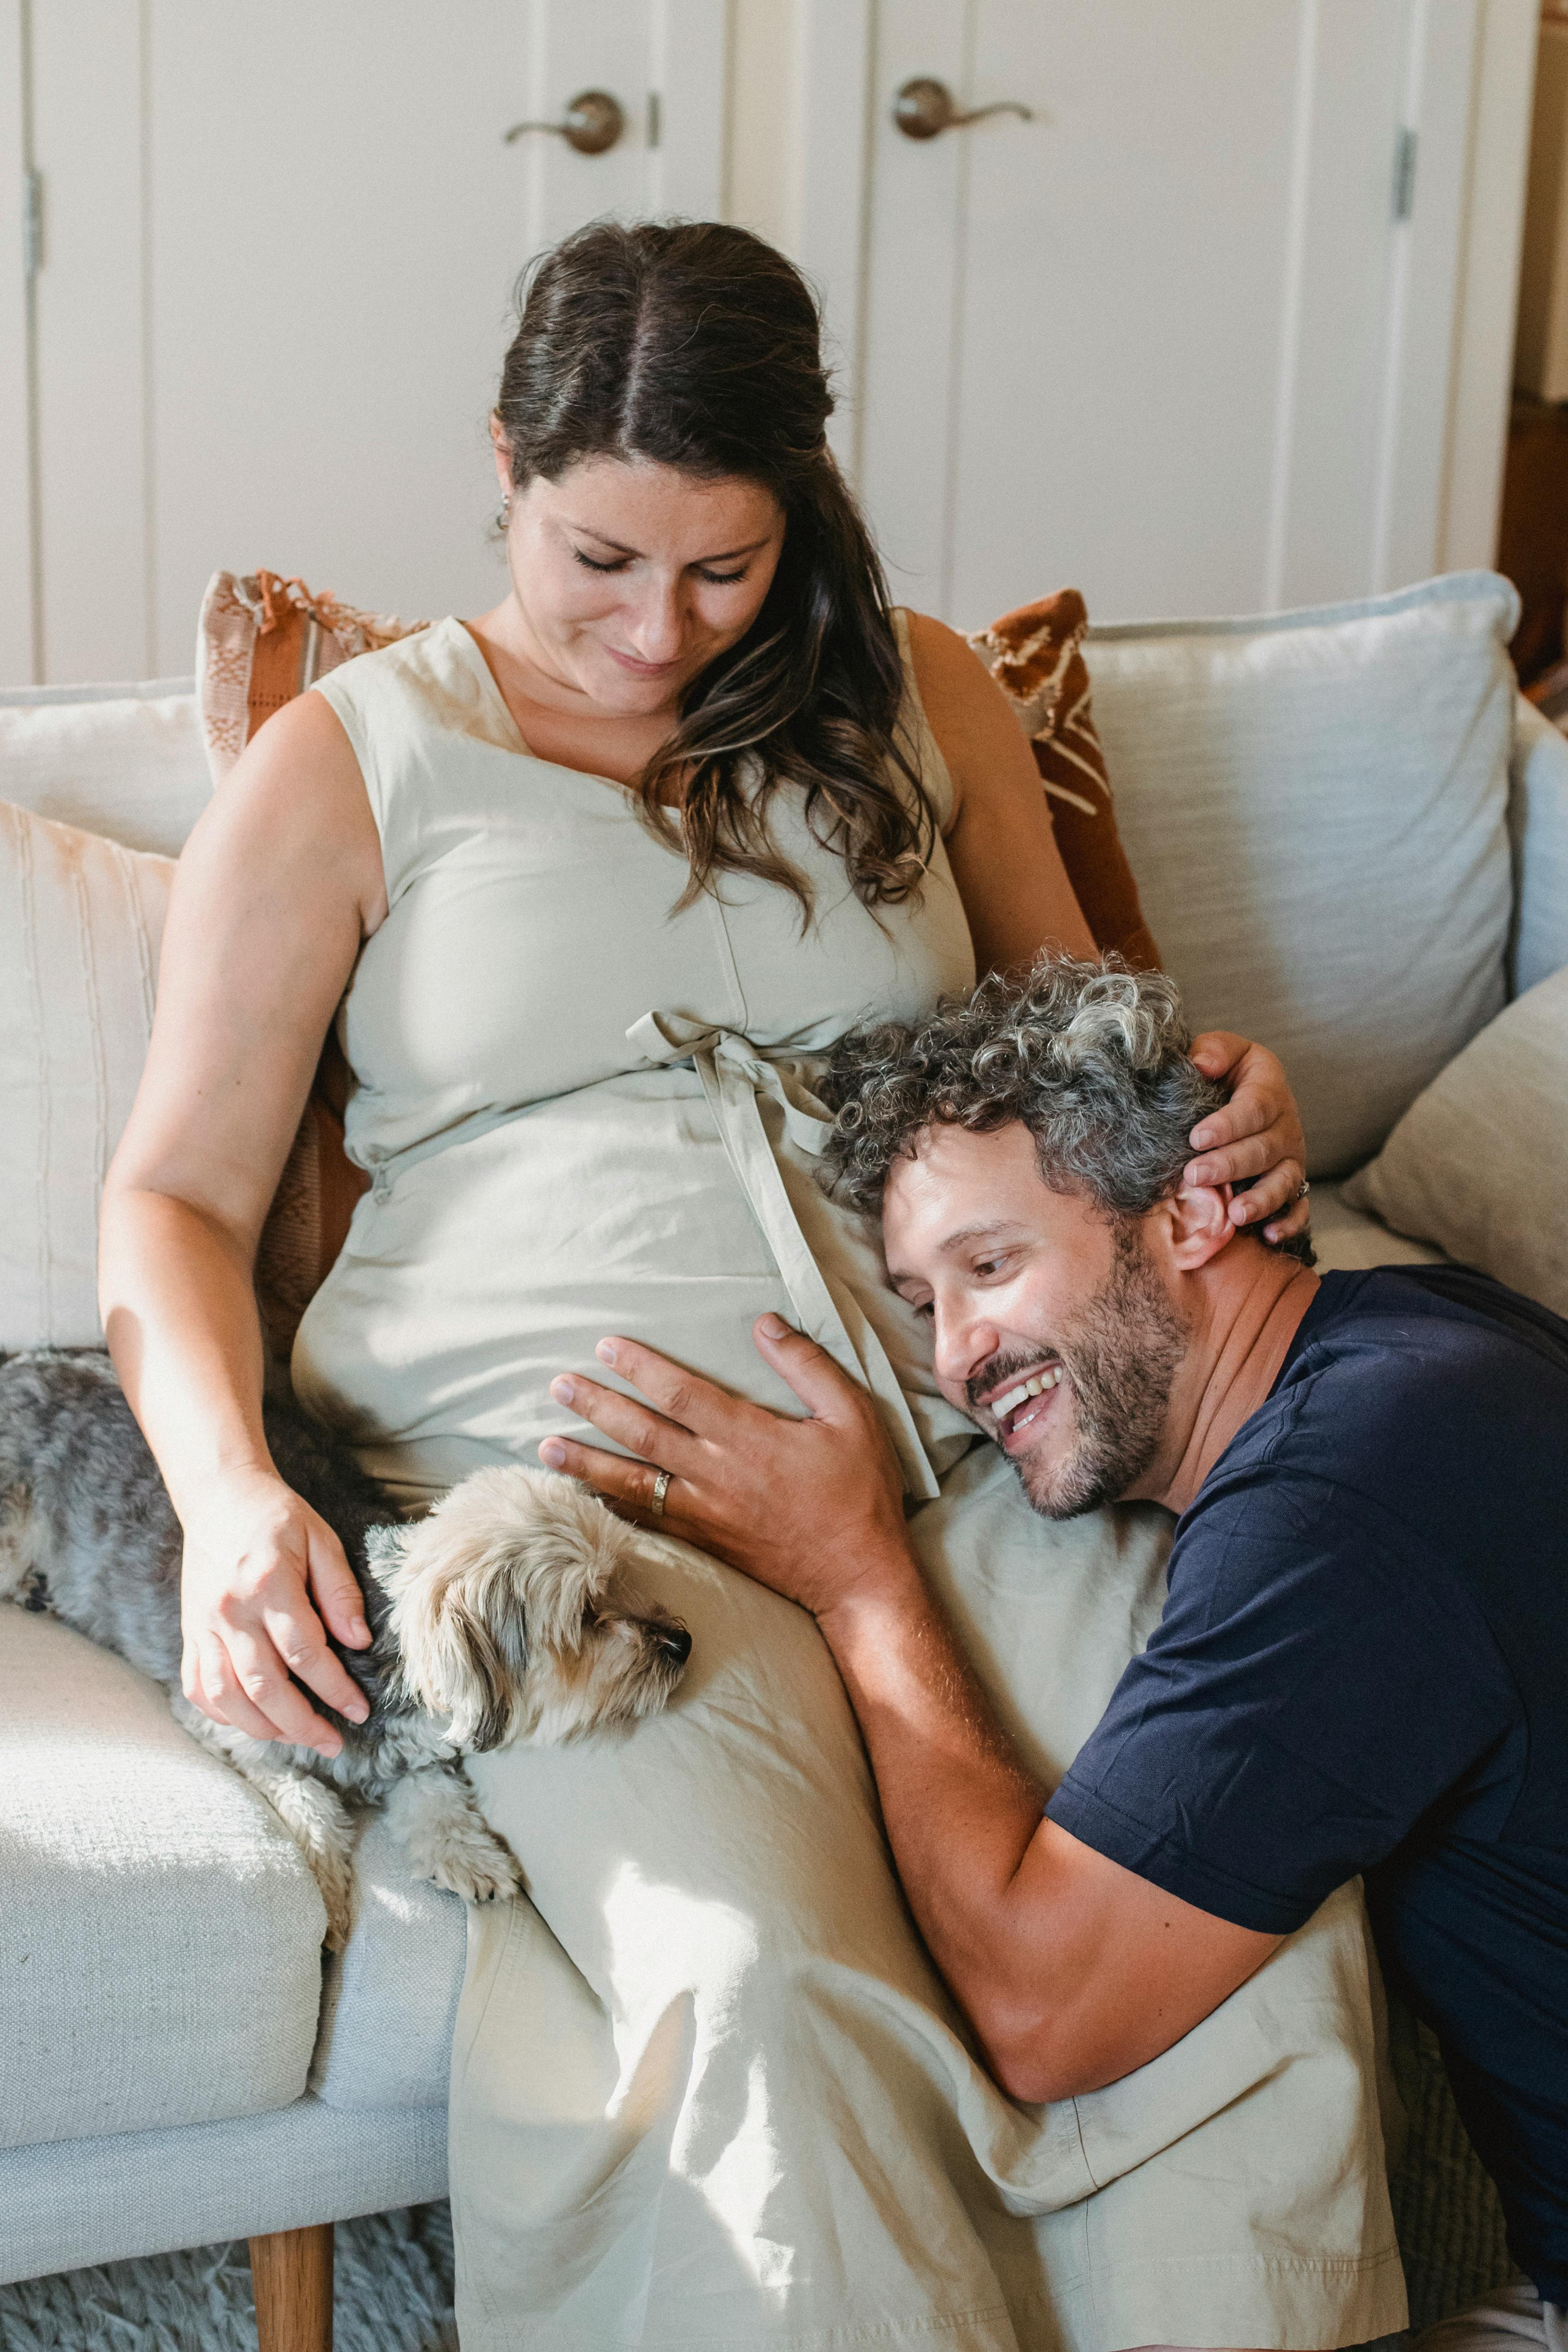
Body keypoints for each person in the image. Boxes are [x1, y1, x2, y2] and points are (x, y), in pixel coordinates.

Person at [99, 220, 1396, 2352]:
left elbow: (1086, 1041)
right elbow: (170, 1195)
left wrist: (1217, 1085)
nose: (653, 630)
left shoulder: (918, 694)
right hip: (590, 1520)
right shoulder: (351, 763)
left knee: (1217, 1922)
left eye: (721, 569)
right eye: (597, 559)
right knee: (758, 1985)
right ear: (503, 468)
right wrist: (229, 1491)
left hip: (978, 1451)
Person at [547, 954, 1568, 2352]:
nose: (957, 1357)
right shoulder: (1431, 1336)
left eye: (992, 1265)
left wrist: (860, 1581)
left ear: (1192, 1212)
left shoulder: (1340, 1506)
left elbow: (1044, 2008)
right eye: (923, 1304)